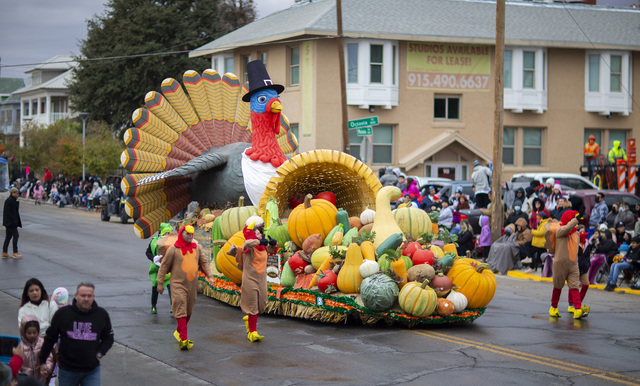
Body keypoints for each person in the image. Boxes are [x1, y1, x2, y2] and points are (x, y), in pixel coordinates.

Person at [39, 282, 114, 386]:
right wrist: (42, 360)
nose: (86, 299)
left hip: (91, 370)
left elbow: (108, 338)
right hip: (67, 370)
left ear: (93, 296)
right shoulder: (63, 314)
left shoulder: (101, 315)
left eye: (89, 296)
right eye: (83, 295)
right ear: (76, 296)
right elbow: (50, 338)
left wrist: (99, 354)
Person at [157, 225, 214, 350]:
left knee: (188, 310)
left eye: (191, 234)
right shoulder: (173, 249)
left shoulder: (197, 248)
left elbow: (204, 262)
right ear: (181, 234)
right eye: (187, 234)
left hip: (192, 284)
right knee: (180, 306)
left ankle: (178, 331)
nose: (190, 236)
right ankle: (184, 338)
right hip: (178, 284)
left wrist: (210, 276)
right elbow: (164, 266)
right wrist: (160, 283)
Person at [227, 216, 278, 342]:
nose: (259, 234)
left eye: (259, 232)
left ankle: (249, 319)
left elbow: (273, 250)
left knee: (261, 305)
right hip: (250, 279)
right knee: (252, 305)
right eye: (256, 233)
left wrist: (273, 243)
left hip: (261, 279)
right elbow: (248, 243)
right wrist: (259, 241)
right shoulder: (248, 246)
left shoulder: (262, 247)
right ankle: (253, 332)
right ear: (251, 235)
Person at [547, 210, 586, 319]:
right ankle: (553, 307)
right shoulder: (560, 231)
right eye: (573, 219)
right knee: (558, 286)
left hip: (573, 264)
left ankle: (577, 309)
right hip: (560, 263)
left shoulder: (576, 233)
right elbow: (567, 228)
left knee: (574, 286)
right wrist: (575, 220)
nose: (576, 223)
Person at [17, 316, 55, 383]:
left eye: (34, 333)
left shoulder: (42, 342)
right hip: (26, 380)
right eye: (29, 333)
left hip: (40, 378)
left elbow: (49, 357)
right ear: (23, 332)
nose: (32, 335)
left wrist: (47, 368)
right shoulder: (20, 346)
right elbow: (17, 365)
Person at [146, 223, 173, 314]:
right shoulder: (154, 241)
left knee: (171, 287)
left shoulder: (172, 242)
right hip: (156, 270)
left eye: (169, 233)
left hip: (168, 270)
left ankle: (173, 306)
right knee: (155, 288)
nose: (167, 235)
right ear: (162, 233)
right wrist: (154, 258)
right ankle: (153, 306)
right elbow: (148, 252)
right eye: (166, 233)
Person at [2, 187, 22, 259]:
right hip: (10, 223)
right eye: (17, 193)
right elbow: (8, 213)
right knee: (16, 236)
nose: (18, 195)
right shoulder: (9, 201)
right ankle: (15, 252)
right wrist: (13, 222)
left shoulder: (12, 200)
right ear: (13, 193)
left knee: (8, 237)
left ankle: (4, 252)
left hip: (10, 222)